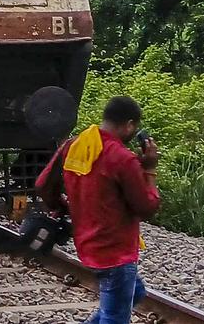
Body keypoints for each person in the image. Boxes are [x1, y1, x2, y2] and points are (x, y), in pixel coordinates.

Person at [36, 95, 161, 324]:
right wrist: (150, 170)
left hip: (87, 244)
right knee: (115, 317)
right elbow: (147, 207)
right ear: (129, 125)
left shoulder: (74, 145)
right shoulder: (122, 158)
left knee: (135, 293)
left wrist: (62, 207)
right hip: (116, 253)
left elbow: (42, 185)